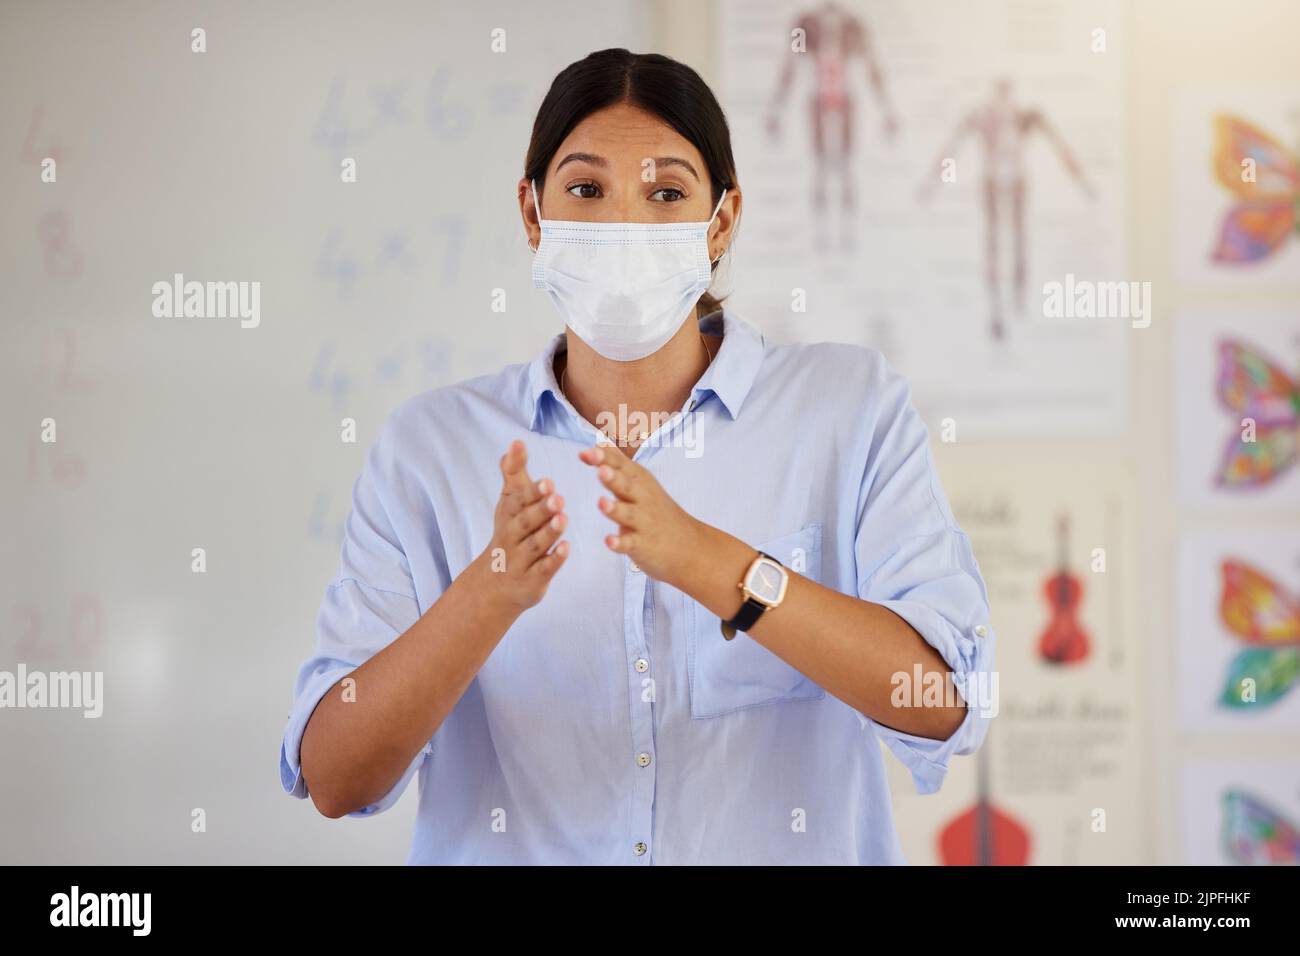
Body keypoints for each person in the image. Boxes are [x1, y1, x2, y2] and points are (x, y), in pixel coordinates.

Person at [279, 48, 996, 865]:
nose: (624, 225)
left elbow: (946, 701)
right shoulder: (431, 448)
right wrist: (489, 593)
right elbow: (335, 779)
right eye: (586, 190)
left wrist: (715, 566)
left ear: (720, 222)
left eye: (666, 194)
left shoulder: (847, 408)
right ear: (532, 211)